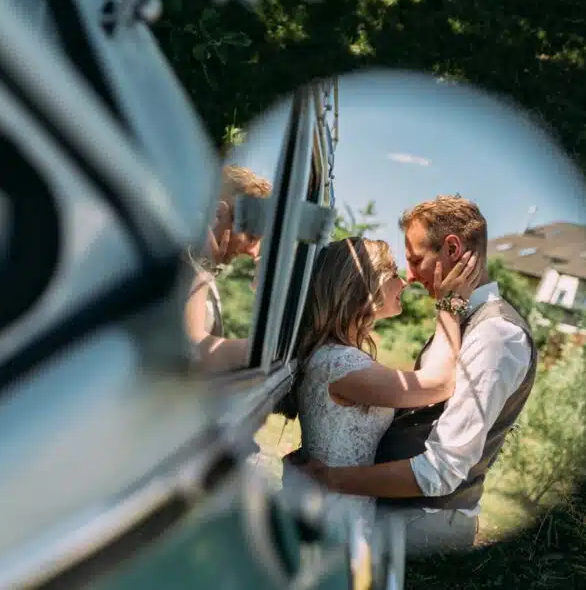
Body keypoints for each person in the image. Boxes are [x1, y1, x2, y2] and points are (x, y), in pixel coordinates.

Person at [295, 195, 538, 557]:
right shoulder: (460, 322)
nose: (409, 276)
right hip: (386, 514)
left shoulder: (495, 334)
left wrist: (330, 479)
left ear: (452, 249)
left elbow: (441, 468)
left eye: (414, 260)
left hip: (422, 523)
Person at [276, 237, 479, 573]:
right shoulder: (339, 363)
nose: (405, 283)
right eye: (395, 274)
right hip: (332, 516)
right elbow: (439, 383)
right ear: (366, 287)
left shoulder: (336, 357)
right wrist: (450, 305)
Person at [185, 164, 271, 373]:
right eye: (251, 237)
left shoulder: (202, 273)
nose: (253, 252)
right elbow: (194, 351)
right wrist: (270, 349)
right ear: (217, 214)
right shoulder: (182, 266)